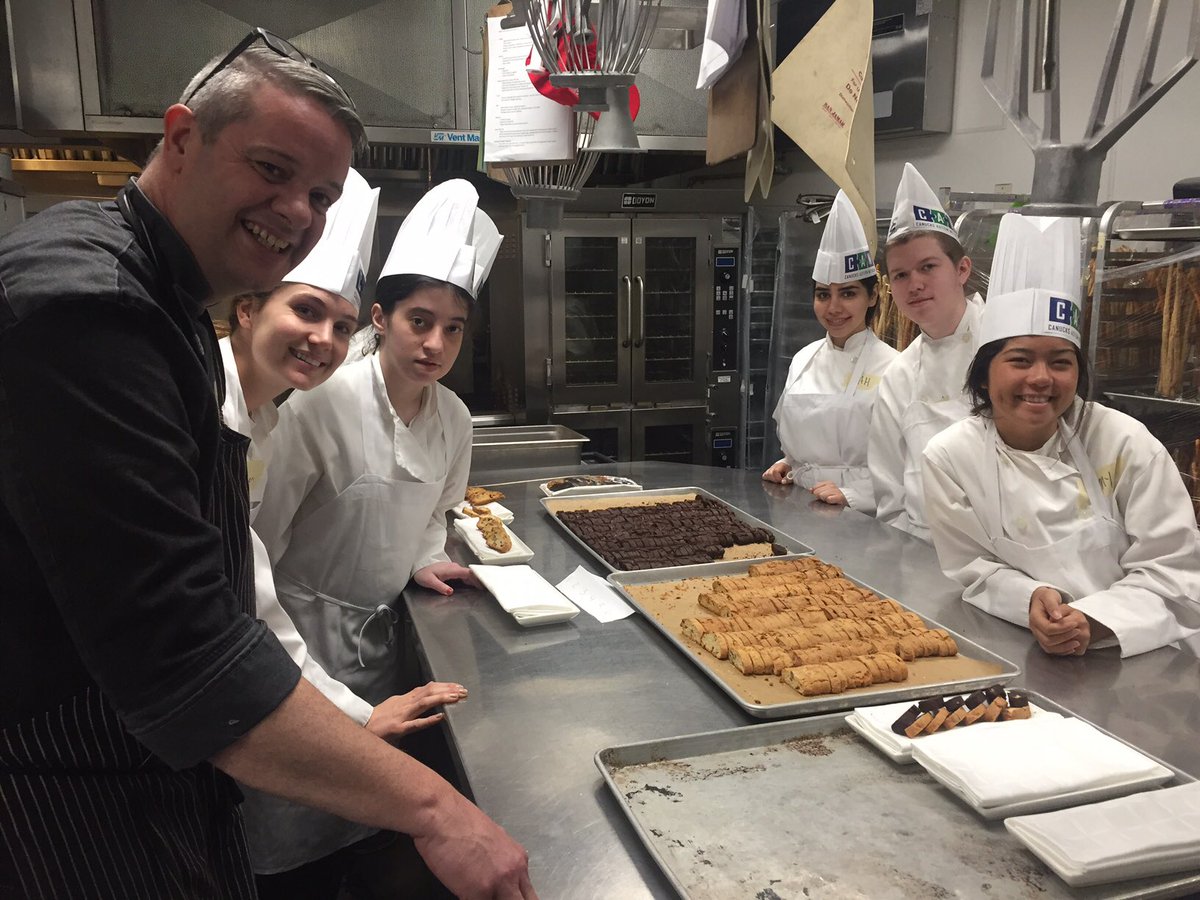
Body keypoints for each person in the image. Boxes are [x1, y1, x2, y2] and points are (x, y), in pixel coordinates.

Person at [0, 32, 534, 900]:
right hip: (63, 780)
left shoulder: (162, 302)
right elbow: (185, 648)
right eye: (272, 168)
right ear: (180, 137)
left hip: (142, 760)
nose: (295, 209)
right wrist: (436, 807)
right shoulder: (87, 308)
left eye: (320, 193)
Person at [248, 178, 499, 881]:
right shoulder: (319, 402)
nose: (435, 344)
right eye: (420, 321)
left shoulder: (452, 418)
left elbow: (437, 513)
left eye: (453, 329)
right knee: (292, 839)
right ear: (381, 319)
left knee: (369, 835)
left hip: (383, 644)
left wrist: (423, 558)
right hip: (295, 644)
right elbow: (258, 547)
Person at [923, 213, 1200, 657]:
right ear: (984, 372)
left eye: (1060, 361)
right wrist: (1029, 597)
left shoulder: (1125, 443)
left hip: (1143, 654)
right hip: (1027, 648)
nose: (1041, 378)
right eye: (1020, 359)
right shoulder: (951, 456)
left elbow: (1176, 573)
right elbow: (973, 568)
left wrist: (1095, 619)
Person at [763, 190, 898, 513]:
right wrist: (789, 463)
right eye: (824, 295)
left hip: (865, 517)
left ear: (873, 296)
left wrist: (855, 495)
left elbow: (908, 470)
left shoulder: (896, 367)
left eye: (848, 293)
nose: (834, 307)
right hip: (800, 506)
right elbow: (808, 444)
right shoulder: (803, 360)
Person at [869, 163, 983, 541]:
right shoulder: (900, 376)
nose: (914, 284)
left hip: (1006, 558)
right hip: (922, 551)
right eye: (900, 275)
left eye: (928, 267)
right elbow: (890, 496)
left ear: (962, 269)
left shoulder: (1008, 350)